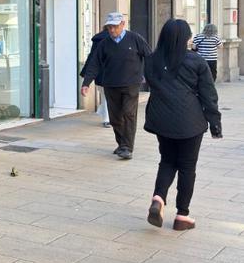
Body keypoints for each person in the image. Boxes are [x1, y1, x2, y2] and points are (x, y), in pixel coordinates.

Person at [144, 19, 222, 231]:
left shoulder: (151, 61)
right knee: (187, 167)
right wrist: (215, 123)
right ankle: (182, 215)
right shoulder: (196, 61)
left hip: (161, 119)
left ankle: (158, 199)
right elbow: (209, 95)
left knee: (167, 160)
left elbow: (152, 84)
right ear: (186, 37)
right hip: (190, 122)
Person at [80, 12, 151, 159]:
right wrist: (86, 83)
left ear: (123, 24)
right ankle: (121, 144)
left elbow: (149, 57)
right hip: (111, 85)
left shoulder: (135, 39)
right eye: (109, 27)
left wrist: (150, 77)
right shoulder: (104, 43)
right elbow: (94, 63)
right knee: (115, 118)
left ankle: (127, 147)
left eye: (115, 26)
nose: (112, 30)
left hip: (131, 84)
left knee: (128, 114)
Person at [81, 29, 111, 127]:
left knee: (105, 97)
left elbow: (92, 57)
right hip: (108, 74)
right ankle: (107, 118)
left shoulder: (98, 39)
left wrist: (85, 74)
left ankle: (106, 117)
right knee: (108, 97)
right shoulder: (114, 39)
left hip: (100, 74)